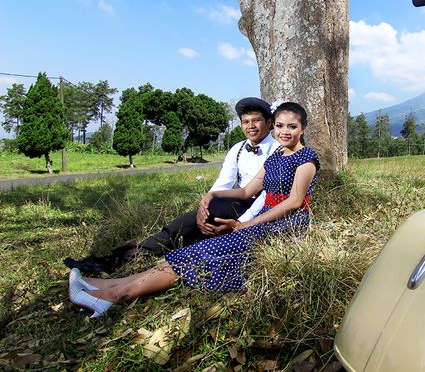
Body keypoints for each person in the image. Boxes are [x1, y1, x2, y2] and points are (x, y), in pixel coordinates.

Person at [69, 102, 319, 318]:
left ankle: (115, 294)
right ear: (274, 126)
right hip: (262, 220)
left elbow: (294, 202)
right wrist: (212, 194)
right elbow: (245, 191)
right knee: (191, 250)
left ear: (303, 129)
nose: (284, 132)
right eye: (280, 126)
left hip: (285, 225)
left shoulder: (306, 159)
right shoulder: (274, 158)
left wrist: (243, 225)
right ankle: (107, 285)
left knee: (199, 253)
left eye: (292, 127)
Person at [63, 97, 280, 274]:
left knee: (197, 237)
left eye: (256, 120)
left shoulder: (278, 150)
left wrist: (240, 223)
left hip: (254, 210)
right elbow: (221, 183)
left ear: (269, 123)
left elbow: (266, 196)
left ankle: (163, 268)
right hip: (227, 203)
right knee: (179, 227)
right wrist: (202, 208)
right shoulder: (238, 149)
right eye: (245, 121)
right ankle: (110, 261)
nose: (250, 126)